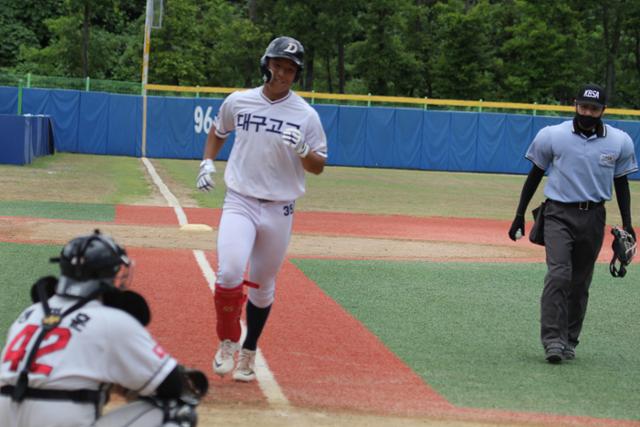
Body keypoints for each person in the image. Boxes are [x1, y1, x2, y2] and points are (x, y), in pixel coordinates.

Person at [196, 35, 328, 382]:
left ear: (296, 75)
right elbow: (218, 129)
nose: (282, 73)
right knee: (228, 273)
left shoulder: (306, 115)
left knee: (263, 283)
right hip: (240, 199)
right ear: (266, 63)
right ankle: (227, 341)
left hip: (280, 208)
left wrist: (303, 149)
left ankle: (249, 349)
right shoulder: (240, 101)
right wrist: (208, 161)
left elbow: (318, 165)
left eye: (290, 69)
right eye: (278, 65)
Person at [0, 230, 208, 426]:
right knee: (177, 410)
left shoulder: (29, 314)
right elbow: (172, 385)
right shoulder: (111, 320)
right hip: (59, 419)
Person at [508, 83, 638, 363]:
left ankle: (569, 340)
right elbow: (535, 175)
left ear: (603, 110)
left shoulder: (619, 141)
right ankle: (553, 340)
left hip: (593, 217)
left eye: (594, 108)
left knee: (579, 282)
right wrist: (519, 214)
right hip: (557, 213)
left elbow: (621, 183)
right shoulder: (552, 135)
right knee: (558, 275)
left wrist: (628, 224)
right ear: (575, 105)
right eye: (583, 106)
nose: (587, 113)